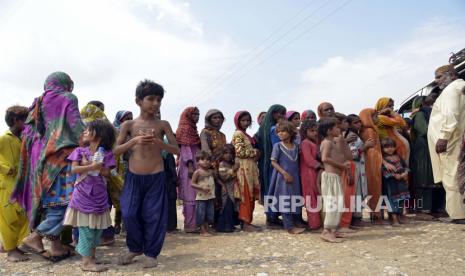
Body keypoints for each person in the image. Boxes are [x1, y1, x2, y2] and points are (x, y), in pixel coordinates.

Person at [12, 72, 84, 261]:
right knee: (67, 203)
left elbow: (30, 135)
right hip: (63, 160)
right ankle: (35, 237)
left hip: (44, 163)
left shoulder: (38, 102)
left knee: (53, 204)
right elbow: (76, 127)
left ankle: (56, 247)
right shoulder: (68, 98)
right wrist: (94, 141)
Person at [114, 79, 179, 268]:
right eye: (151, 99)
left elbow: (176, 150)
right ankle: (134, 248)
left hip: (156, 176)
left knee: (154, 216)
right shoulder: (128, 125)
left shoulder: (163, 125)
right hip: (134, 176)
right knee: (129, 212)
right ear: (138, 101)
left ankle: (151, 253)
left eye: (159, 99)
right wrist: (134, 141)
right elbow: (116, 151)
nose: (155, 103)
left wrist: (160, 143)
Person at [63, 120, 115, 272]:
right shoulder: (80, 151)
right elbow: (74, 170)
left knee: (96, 230)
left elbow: (109, 173)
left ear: (98, 135)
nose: (84, 132)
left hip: (99, 197)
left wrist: (97, 167)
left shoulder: (107, 154)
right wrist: (91, 166)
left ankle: (91, 258)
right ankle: (86, 262)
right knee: (86, 229)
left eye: (88, 130)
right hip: (83, 197)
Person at [428, 65, 465, 223]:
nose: (436, 81)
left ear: (451, 75)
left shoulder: (451, 89)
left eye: (439, 77)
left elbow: (452, 114)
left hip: (450, 142)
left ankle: (458, 214)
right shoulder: (458, 87)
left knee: (451, 176)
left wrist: (443, 137)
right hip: (454, 139)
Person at [0, 106, 29, 262]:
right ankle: (11, 251)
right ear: (17, 121)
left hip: (22, 184)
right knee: (9, 217)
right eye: (25, 120)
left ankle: (13, 245)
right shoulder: (5, 138)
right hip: (7, 184)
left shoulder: (23, 138)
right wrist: (5, 169)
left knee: (22, 217)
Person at [267, 121, 305, 234]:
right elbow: (273, 162)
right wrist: (284, 173)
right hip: (283, 177)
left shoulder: (296, 146)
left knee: (295, 198)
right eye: (278, 132)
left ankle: (296, 221)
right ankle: (289, 226)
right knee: (285, 200)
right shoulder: (277, 146)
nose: (280, 134)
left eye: (283, 131)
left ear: (290, 132)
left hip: (295, 177)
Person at [410, 96, 445, 217]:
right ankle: (423, 211)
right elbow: (424, 131)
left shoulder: (432, 114)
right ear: (422, 104)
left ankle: (436, 209)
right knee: (424, 179)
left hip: (432, 150)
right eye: (429, 103)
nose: (432, 105)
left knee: (436, 180)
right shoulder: (420, 115)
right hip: (423, 152)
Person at [319, 117, 350, 242]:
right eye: (336, 127)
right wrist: (342, 166)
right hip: (330, 178)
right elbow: (325, 158)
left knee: (338, 203)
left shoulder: (334, 142)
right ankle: (326, 231)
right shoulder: (326, 142)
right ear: (328, 131)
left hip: (336, 177)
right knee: (332, 204)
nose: (339, 129)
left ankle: (333, 230)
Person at [231, 111, 261, 231]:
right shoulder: (238, 134)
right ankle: (245, 222)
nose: (246, 123)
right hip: (243, 168)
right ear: (238, 121)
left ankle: (248, 221)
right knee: (246, 194)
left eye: (248, 120)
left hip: (250, 167)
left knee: (251, 194)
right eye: (243, 120)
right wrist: (255, 152)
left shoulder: (245, 134)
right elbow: (240, 152)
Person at [257, 104, 286, 227]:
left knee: (270, 189)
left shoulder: (263, 129)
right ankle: (271, 217)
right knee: (272, 189)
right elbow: (278, 145)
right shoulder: (274, 129)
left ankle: (272, 216)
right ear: (272, 114)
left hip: (267, 163)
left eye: (282, 113)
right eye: (278, 113)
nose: (281, 115)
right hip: (273, 163)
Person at [345, 114, 374, 226]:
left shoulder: (357, 135)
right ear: (349, 124)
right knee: (356, 193)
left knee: (359, 192)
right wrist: (365, 146)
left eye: (359, 122)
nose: (359, 124)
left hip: (360, 168)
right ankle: (355, 219)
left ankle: (358, 217)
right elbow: (352, 155)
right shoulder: (352, 136)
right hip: (355, 168)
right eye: (355, 123)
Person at [176, 107, 201, 233]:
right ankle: (190, 225)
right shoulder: (185, 129)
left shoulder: (192, 129)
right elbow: (185, 149)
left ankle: (194, 223)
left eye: (198, 114)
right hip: (188, 166)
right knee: (190, 195)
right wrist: (190, 165)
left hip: (195, 164)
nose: (197, 117)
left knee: (194, 195)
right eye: (194, 114)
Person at [359, 108, 383, 224]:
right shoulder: (369, 130)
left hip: (371, 161)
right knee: (374, 188)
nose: (377, 118)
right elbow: (372, 150)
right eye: (375, 116)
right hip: (372, 162)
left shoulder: (368, 129)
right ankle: (376, 215)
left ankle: (375, 214)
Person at [381, 138, 411, 226]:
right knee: (392, 200)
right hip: (391, 183)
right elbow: (383, 171)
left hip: (401, 182)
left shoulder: (398, 156)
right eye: (386, 147)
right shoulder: (383, 160)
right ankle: (393, 218)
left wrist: (405, 173)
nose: (389, 149)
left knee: (401, 199)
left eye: (391, 147)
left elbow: (405, 166)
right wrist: (394, 175)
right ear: (382, 149)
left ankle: (399, 216)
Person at [299, 119, 321, 230]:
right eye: (312, 131)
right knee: (310, 197)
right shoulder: (305, 143)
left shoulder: (314, 143)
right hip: (308, 173)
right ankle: (314, 224)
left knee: (316, 196)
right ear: (305, 131)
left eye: (316, 131)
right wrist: (321, 166)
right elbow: (309, 160)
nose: (315, 133)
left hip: (315, 172)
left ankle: (318, 222)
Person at [374, 97, 409, 163]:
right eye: (389, 106)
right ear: (382, 106)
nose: (392, 108)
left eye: (392, 106)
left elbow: (403, 126)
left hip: (395, 149)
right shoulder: (380, 117)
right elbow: (401, 122)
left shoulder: (388, 117)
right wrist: (392, 112)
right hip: (391, 150)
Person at [190, 150, 216, 237]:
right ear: (197, 162)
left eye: (208, 159)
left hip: (210, 196)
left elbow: (216, 177)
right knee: (201, 214)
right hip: (201, 197)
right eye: (202, 159)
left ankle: (207, 228)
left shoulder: (211, 171)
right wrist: (201, 187)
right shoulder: (197, 172)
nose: (206, 161)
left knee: (209, 213)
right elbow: (192, 183)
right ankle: (202, 230)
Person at [215, 144, 240, 232]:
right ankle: (225, 226)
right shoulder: (222, 164)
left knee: (232, 207)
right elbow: (223, 176)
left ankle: (231, 225)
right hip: (227, 189)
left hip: (233, 189)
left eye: (230, 153)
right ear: (222, 154)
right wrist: (233, 170)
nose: (228, 155)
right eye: (226, 153)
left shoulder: (231, 163)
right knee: (227, 206)